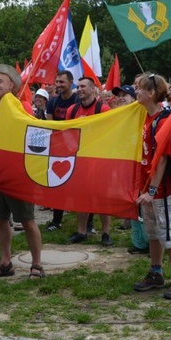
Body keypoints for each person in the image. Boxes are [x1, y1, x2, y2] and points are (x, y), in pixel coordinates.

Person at [0, 64, 44, 278]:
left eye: (0, 81)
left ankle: (37, 264)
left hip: (18, 175)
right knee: (0, 220)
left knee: (27, 220)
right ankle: (5, 262)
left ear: (12, 84)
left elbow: (33, 137)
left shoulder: (22, 106)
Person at [133, 73, 171, 300]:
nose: (136, 92)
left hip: (161, 188)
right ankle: (156, 272)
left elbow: (162, 159)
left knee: (169, 233)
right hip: (148, 188)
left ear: (152, 93)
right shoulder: (146, 117)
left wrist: (152, 191)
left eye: (139, 89)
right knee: (154, 233)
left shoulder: (164, 121)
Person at [66, 76, 113, 246]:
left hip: (99, 159)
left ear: (93, 89)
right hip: (80, 159)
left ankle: (106, 233)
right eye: (77, 86)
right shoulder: (72, 110)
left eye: (83, 86)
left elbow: (109, 133)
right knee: (81, 196)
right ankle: (81, 231)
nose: (79, 89)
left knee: (102, 197)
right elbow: (67, 133)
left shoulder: (103, 108)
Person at [45, 70, 76, 231]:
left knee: (79, 184)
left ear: (71, 83)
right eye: (57, 82)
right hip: (58, 148)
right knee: (57, 183)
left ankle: (86, 222)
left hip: (76, 147)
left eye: (62, 82)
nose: (58, 85)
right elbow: (50, 126)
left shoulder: (77, 100)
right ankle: (56, 220)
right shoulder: (52, 102)